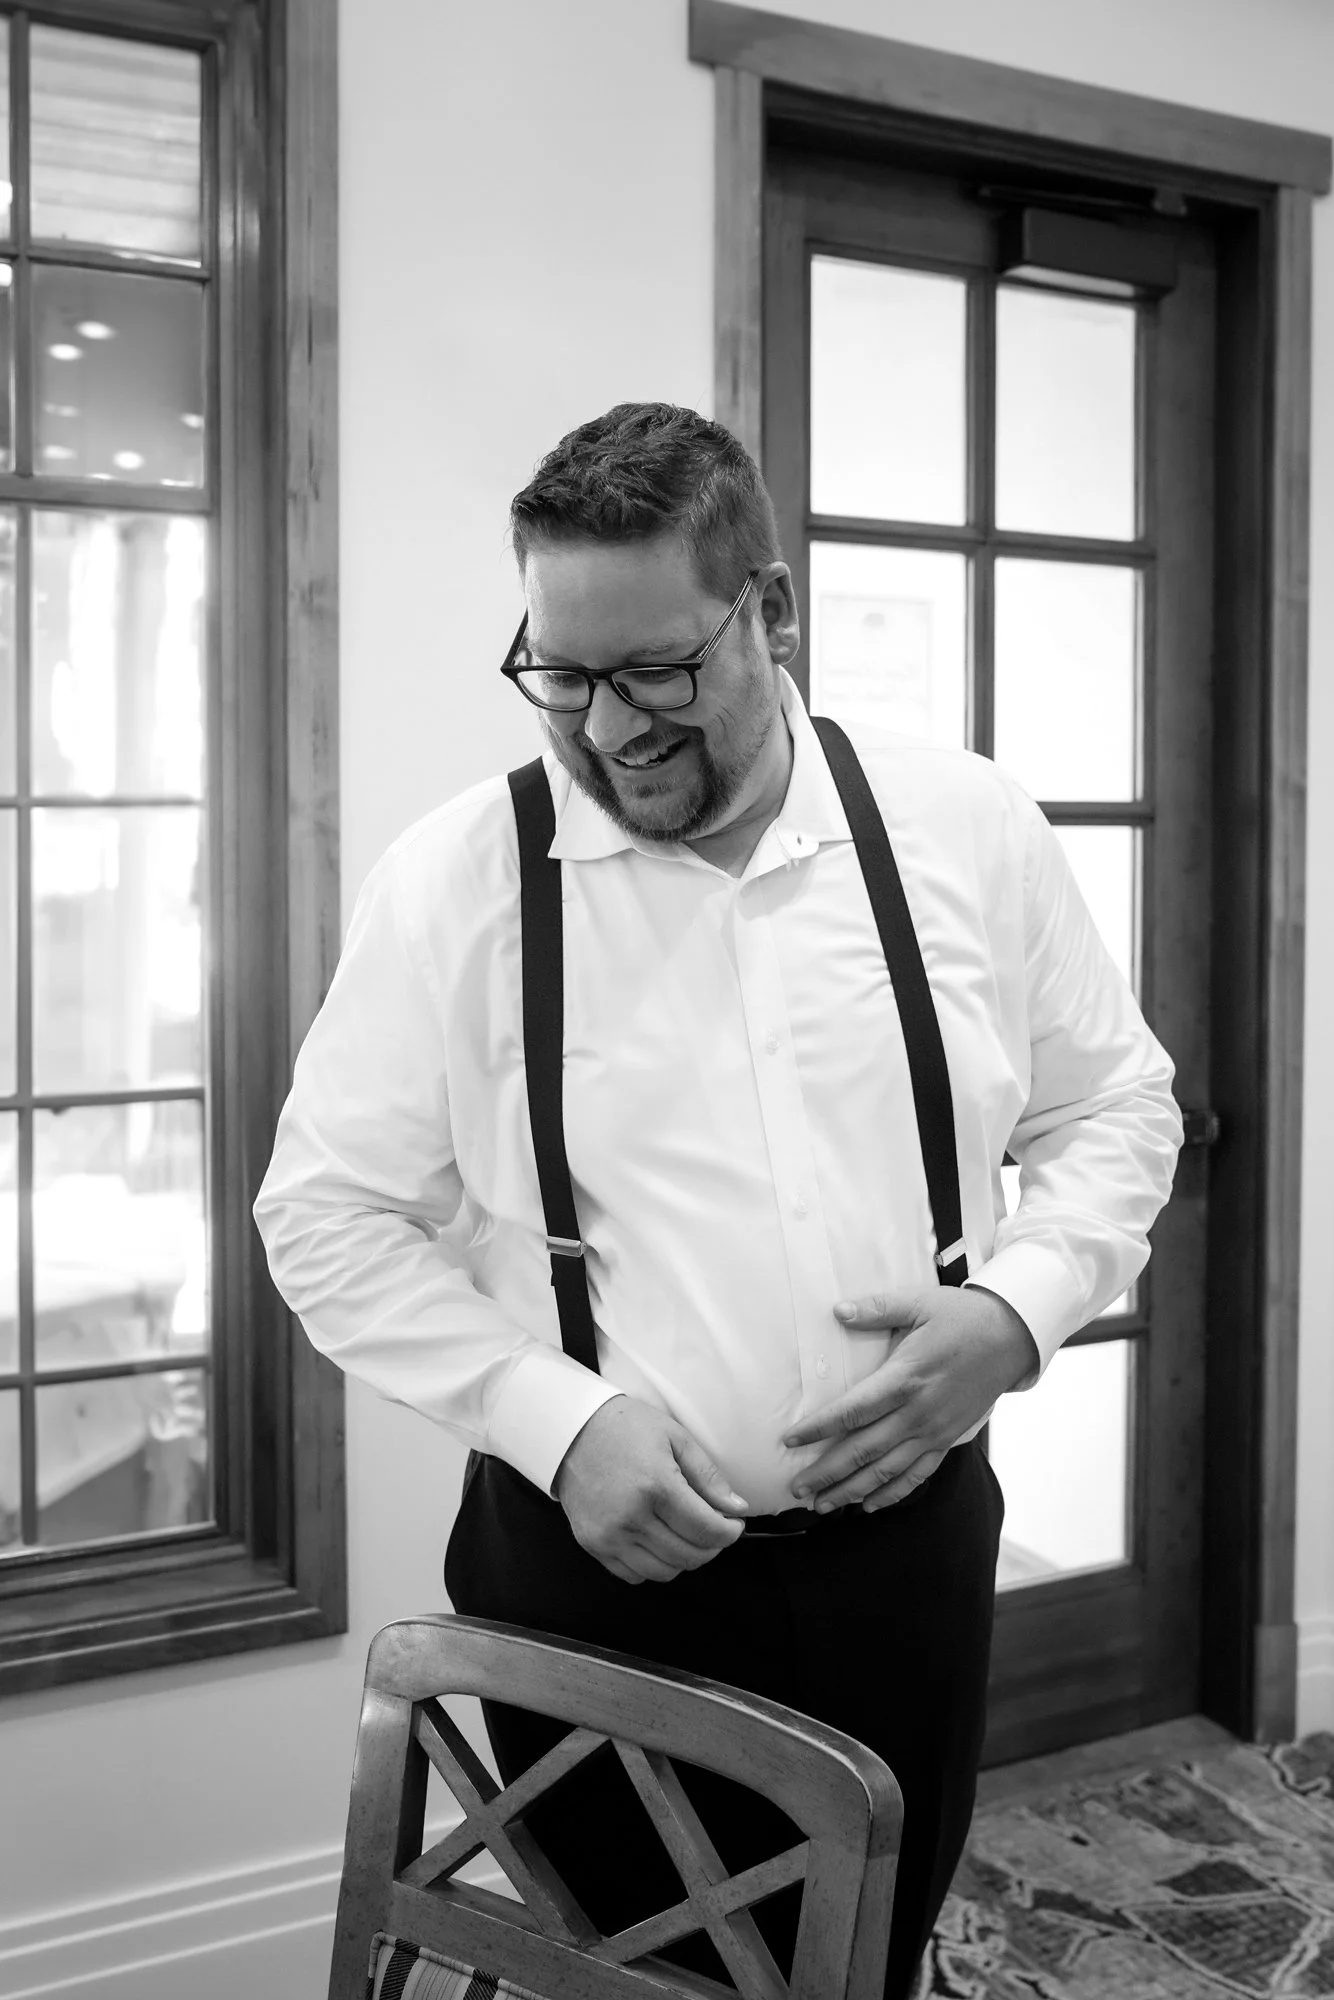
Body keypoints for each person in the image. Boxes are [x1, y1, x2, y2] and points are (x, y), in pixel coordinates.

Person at [255, 402, 1182, 1998]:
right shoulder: (455, 883)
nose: (610, 729)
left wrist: (1014, 1315)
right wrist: (548, 1413)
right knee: (635, 1984)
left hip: (907, 1571)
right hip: (588, 1586)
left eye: (659, 672)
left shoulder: (962, 825)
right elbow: (322, 1215)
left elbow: (1113, 1105)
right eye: (563, 673)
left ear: (767, 610)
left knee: (863, 1967)